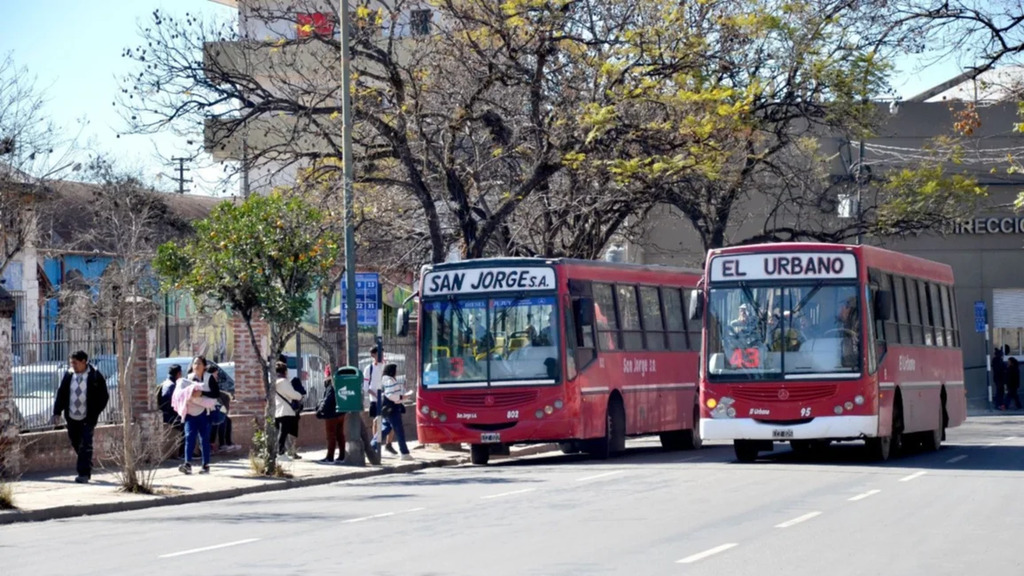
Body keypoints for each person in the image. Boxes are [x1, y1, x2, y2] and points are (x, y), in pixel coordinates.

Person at [51, 350, 109, 484]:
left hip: (87, 417)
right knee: (75, 441)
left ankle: (83, 473)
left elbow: (104, 397)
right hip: (71, 416)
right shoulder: (69, 375)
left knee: (85, 444)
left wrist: (95, 412)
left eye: (75, 363)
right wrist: (57, 412)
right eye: (71, 363)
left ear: (84, 362)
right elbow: (61, 394)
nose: (73, 366)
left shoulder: (95, 376)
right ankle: (86, 462)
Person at [172, 377, 218, 474]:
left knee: (204, 440)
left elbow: (211, 401)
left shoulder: (203, 391)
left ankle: (205, 465)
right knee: (189, 438)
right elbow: (180, 396)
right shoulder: (183, 390)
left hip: (203, 415)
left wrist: (196, 396)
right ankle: (187, 464)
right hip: (190, 416)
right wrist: (191, 395)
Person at [375, 363, 412, 460]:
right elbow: (390, 395)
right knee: (399, 431)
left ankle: (372, 447)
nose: (397, 372)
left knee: (384, 429)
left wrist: (402, 397)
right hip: (393, 409)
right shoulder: (389, 380)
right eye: (395, 370)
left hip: (389, 408)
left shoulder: (386, 379)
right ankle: (404, 453)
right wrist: (402, 397)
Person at [274, 361, 304, 459]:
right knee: (283, 433)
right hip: (285, 410)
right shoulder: (283, 382)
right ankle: (281, 453)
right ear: (285, 371)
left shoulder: (274, 382)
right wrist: (300, 396)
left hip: (277, 410)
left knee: (281, 433)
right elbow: (291, 394)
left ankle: (280, 452)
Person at [157, 364, 185, 459]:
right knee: (186, 425)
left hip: (166, 414)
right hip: (169, 416)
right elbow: (171, 404)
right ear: (178, 374)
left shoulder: (166, 382)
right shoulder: (172, 385)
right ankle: (182, 453)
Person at [316, 378, 345, 463]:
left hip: (331, 414)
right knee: (340, 435)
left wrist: (320, 411)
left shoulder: (331, 386)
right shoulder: (340, 383)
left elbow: (327, 400)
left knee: (331, 435)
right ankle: (342, 456)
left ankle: (330, 457)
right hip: (341, 413)